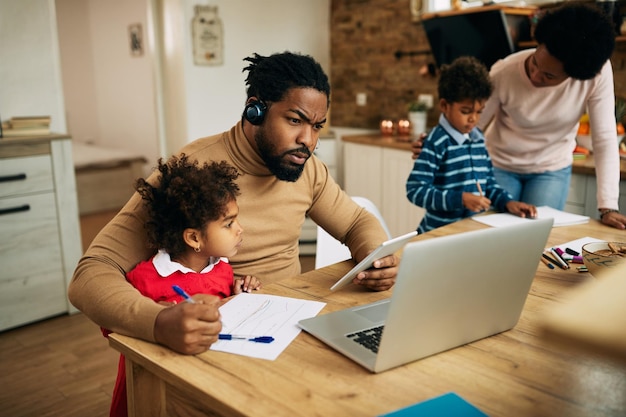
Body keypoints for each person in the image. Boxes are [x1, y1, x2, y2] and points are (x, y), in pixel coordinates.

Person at [69, 51, 396, 356]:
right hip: (222, 338)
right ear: (255, 109)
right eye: (295, 120)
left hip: (290, 327)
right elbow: (91, 274)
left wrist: (374, 255)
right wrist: (156, 322)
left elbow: (356, 223)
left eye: (316, 126)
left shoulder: (306, 168)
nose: (308, 141)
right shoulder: (190, 171)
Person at [412, 3, 626, 230]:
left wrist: (608, 207)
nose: (535, 75)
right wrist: (435, 144)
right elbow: (470, 125)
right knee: (487, 236)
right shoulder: (504, 71)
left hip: (551, 169)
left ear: (575, 76)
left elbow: (604, 139)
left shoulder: (595, 75)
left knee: (536, 236)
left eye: (549, 75)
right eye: (535, 62)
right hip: (499, 164)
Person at [104, 155, 261, 417]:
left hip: (203, 380)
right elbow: (112, 323)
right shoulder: (145, 278)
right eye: (229, 223)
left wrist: (237, 295)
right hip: (153, 388)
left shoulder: (222, 269)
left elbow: (219, 316)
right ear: (193, 237)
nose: (240, 229)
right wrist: (161, 314)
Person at [406, 56, 537, 233]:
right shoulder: (436, 142)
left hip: (471, 233)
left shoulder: (478, 139)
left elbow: (488, 184)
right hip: (439, 235)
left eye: (479, 112)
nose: (473, 119)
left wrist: (508, 202)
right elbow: (415, 190)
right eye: (465, 111)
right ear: (444, 105)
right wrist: (460, 199)